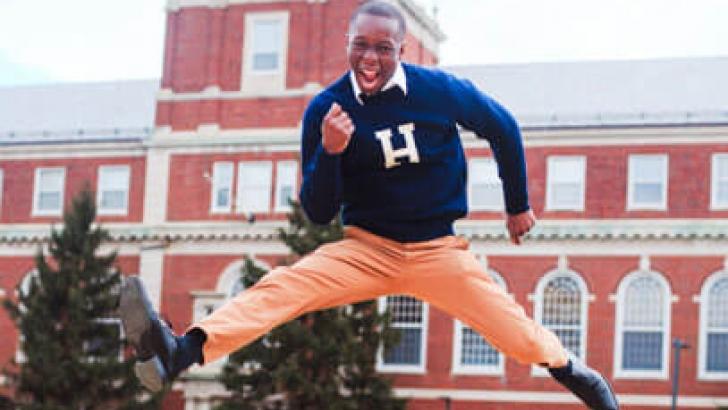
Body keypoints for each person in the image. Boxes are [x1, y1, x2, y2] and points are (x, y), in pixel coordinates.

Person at [119, 2, 619, 409]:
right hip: (366, 249)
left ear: (401, 49)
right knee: (281, 288)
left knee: (514, 331)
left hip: (437, 251)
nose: (371, 59)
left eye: (384, 48)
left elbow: (502, 126)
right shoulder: (326, 109)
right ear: (347, 45)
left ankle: (580, 376)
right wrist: (332, 153)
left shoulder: (437, 91)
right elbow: (317, 211)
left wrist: (517, 205)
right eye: (361, 46)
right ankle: (179, 352)